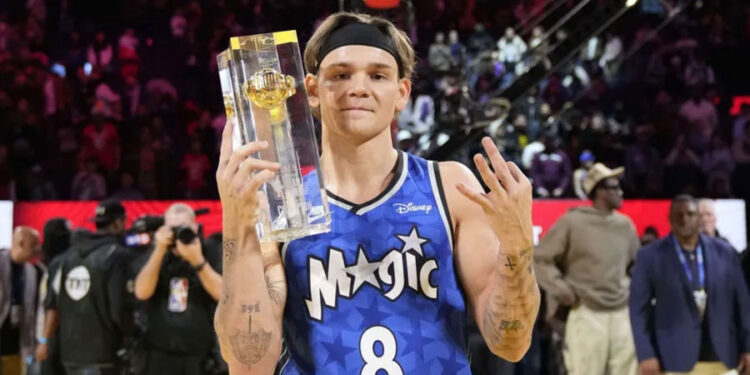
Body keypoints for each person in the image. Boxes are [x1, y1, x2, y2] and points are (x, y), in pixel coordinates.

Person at [214, 12, 540, 375]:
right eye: (340, 75)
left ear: (402, 93)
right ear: (311, 90)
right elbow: (249, 363)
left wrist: (517, 247)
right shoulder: (283, 202)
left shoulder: (450, 187)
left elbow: (510, 343)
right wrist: (238, 226)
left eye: (378, 75)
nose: (357, 88)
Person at [534, 163, 639, 375]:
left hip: (621, 313)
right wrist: (561, 289)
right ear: (598, 190)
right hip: (585, 311)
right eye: (614, 187)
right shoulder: (572, 222)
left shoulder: (625, 226)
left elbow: (635, 267)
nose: (620, 192)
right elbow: (540, 258)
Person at [630, 195, 750, 375]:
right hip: (672, 359)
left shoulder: (725, 252)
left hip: (723, 357)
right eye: (678, 215)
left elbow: (743, 304)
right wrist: (646, 354)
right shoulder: (649, 257)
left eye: (690, 214)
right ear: (669, 218)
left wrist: (748, 347)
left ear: (698, 218)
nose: (684, 219)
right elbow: (638, 310)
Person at [42, 200, 131, 375]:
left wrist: (44, 340)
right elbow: (117, 309)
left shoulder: (66, 257)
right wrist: (131, 334)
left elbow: (53, 304)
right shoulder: (116, 255)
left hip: (69, 352)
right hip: (104, 353)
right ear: (118, 222)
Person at [133, 203, 222, 375]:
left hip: (200, 356)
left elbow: (223, 295)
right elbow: (141, 292)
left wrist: (197, 260)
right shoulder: (157, 253)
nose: (178, 234)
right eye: (172, 229)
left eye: (184, 228)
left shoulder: (209, 249)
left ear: (195, 227)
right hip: (160, 354)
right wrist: (158, 251)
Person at [1, 226, 42, 375]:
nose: (37, 250)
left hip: (14, 343)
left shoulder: (32, 272)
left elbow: (29, 312)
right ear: (21, 243)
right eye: (34, 245)